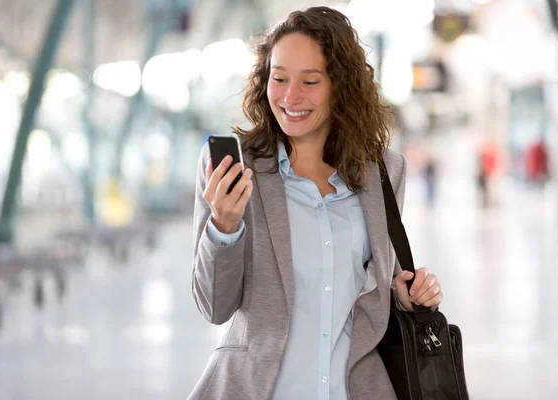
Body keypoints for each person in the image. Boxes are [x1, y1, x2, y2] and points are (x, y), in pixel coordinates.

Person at [189, 6, 443, 400]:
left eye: (310, 81)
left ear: (341, 85)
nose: (291, 97)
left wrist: (405, 296)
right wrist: (223, 226)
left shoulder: (383, 173)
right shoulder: (233, 168)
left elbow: (374, 285)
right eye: (279, 78)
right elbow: (214, 307)